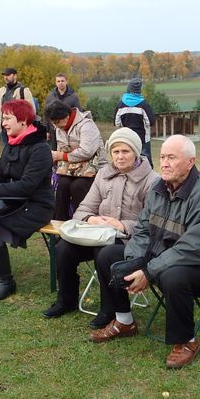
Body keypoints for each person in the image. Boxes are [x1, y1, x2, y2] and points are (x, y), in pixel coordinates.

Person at [88, 135, 200, 369]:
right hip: (161, 254)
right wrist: (134, 262)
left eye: (172, 158)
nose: (164, 163)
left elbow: (192, 249)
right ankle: (124, 321)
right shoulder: (159, 188)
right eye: (162, 157)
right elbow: (143, 230)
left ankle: (186, 341)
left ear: (190, 162)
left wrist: (148, 271)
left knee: (171, 276)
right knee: (108, 256)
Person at [42, 127, 159, 323]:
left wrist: (122, 225)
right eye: (115, 151)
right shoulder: (104, 173)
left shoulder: (152, 181)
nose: (120, 157)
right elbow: (83, 209)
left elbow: (152, 223)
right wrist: (91, 219)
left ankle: (109, 309)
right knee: (63, 248)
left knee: (105, 254)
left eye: (125, 151)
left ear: (136, 153)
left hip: (131, 240)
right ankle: (66, 299)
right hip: (99, 234)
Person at [0, 100, 54, 301]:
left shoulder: (40, 149)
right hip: (13, 201)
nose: (3, 123)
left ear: (23, 120)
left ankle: (7, 281)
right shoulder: (12, 144)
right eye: (3, 118)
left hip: (36, 206)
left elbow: (27, 185)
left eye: (7, 118)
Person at [45, 100, 107, 221]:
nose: (56, 126)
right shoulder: (59, 129)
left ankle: (83, 221)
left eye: (57, 122)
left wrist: (62, 156)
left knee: (78, 186)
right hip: (71, 170)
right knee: (62, 185)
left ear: (66, 116)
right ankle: (59, 224)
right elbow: (61, 149)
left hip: (93, 170)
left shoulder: (86, 125)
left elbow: (87, 151)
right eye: (53, 123)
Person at [113, 77, 156, 167]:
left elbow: (116, 123)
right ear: (139, 90)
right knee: (146, 164)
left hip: (127, 139)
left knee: (129, 164)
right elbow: (151, 122)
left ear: (128, 89)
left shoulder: (120, 105)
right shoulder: (144, 104)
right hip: (143, 139)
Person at [0, 67, 35, 146]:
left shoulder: (24, 91)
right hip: (4, 127)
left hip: (19, 127)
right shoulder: (0, 91)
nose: (5, 77)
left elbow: (31, 110)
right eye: (4, 75)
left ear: (15, 76)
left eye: (8, 75)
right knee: (7, 151)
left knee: (20, 150)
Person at [43, 73, 81, 149]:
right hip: (52, 130)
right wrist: (46, 130)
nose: (60, 83)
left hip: (68, 130)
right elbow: (46, 114)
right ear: (55, 83)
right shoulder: (50, 97)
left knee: (67, 150)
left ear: (66, 82)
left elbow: (78, 114)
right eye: (58, 81)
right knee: (52, 151)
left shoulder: (73, 97)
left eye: (62, 81)